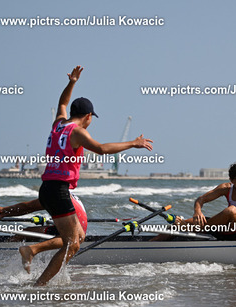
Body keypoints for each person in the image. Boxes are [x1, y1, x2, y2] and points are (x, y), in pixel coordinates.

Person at [20, 65, 153, 286]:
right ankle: (38, 283)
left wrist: (71, 82)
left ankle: (33, 253)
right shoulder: (78, 132)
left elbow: (62, 104)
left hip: (47, 189)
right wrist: (133, 143)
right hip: (59, 191)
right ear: (88, 116)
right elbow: (101, 149)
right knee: (72, 244)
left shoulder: (58, 125)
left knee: (78, 236)